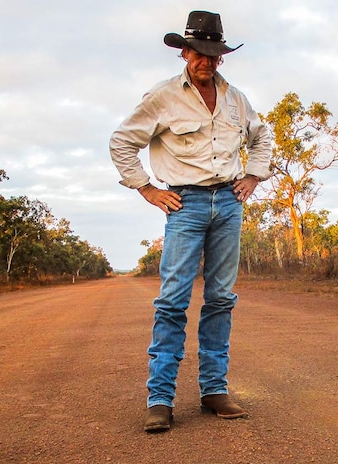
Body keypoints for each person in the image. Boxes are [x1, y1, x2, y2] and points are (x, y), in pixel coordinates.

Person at [110, 10, 271, 432]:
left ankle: (214, 391)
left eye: (214, 53)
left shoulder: (236, 98)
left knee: (220, 299)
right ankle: (160, 399)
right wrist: (147, 188)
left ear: (221, 57)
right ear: (184, 52)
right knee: (172, 301)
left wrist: (253, 175)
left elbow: (261, 136)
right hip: (186, 205)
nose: (206, 60)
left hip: (229, 203)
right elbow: (122, 142)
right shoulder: (163, 96)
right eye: (198, 52)